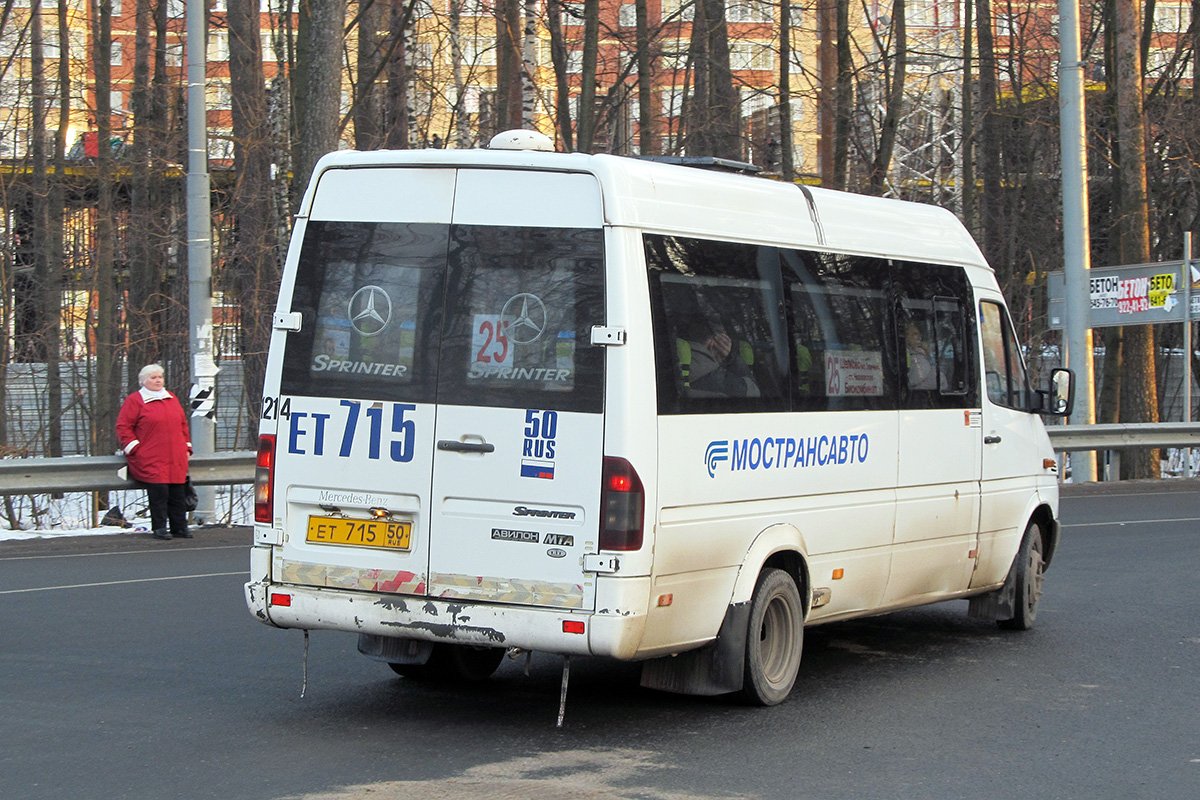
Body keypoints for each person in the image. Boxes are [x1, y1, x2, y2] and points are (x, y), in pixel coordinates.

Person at [116, 364, 193, 540]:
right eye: (153, 378)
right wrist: (135, 448)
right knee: (159, 492)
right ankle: (160, 527)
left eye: (160, 377)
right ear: (144, 381)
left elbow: (182, 424)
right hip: (150, 457)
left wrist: (187, 446)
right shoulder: (135, 400)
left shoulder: (171, 398)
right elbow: (123, 426)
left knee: (177, 492)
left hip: (175, 456)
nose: (158, 380)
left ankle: (179, 527)